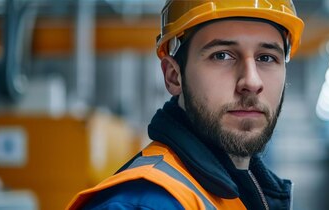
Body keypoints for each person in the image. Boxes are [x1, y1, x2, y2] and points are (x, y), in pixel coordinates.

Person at [67, 0, 304, 209]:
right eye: (222, 55)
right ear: (173, 75)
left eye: (267, 58)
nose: (251, 82)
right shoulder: (143, 204)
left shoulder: (242, 193)